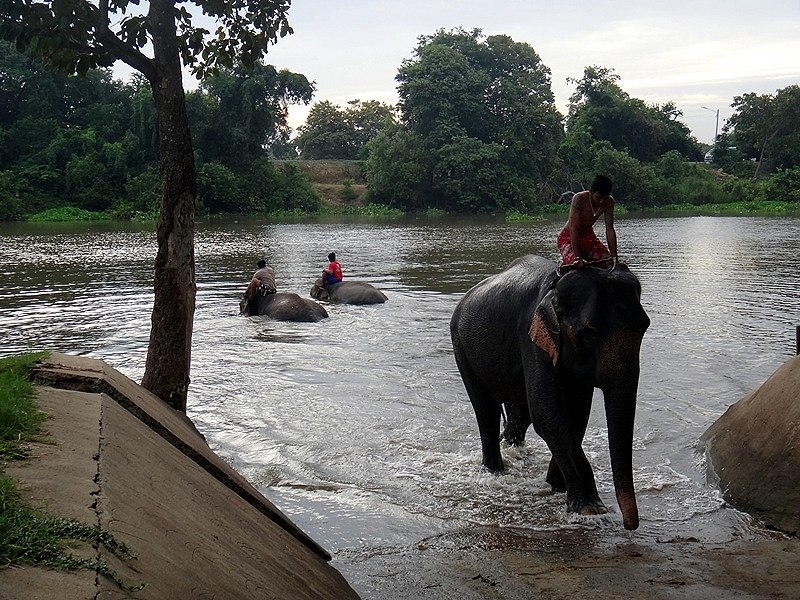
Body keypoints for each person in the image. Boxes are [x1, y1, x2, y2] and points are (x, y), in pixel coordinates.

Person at [557, 174, 618, 269]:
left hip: (588, 237)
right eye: (598, 197)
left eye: (605, 198)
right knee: (577, 265)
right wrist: (577, 257)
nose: (601, 201)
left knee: (608, 262)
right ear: (591, 192)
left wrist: (614, 256)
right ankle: (564, 261)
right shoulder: (579, 199)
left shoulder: (609, 202)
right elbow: (574, 228)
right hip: (568, 236)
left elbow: (609, 229)